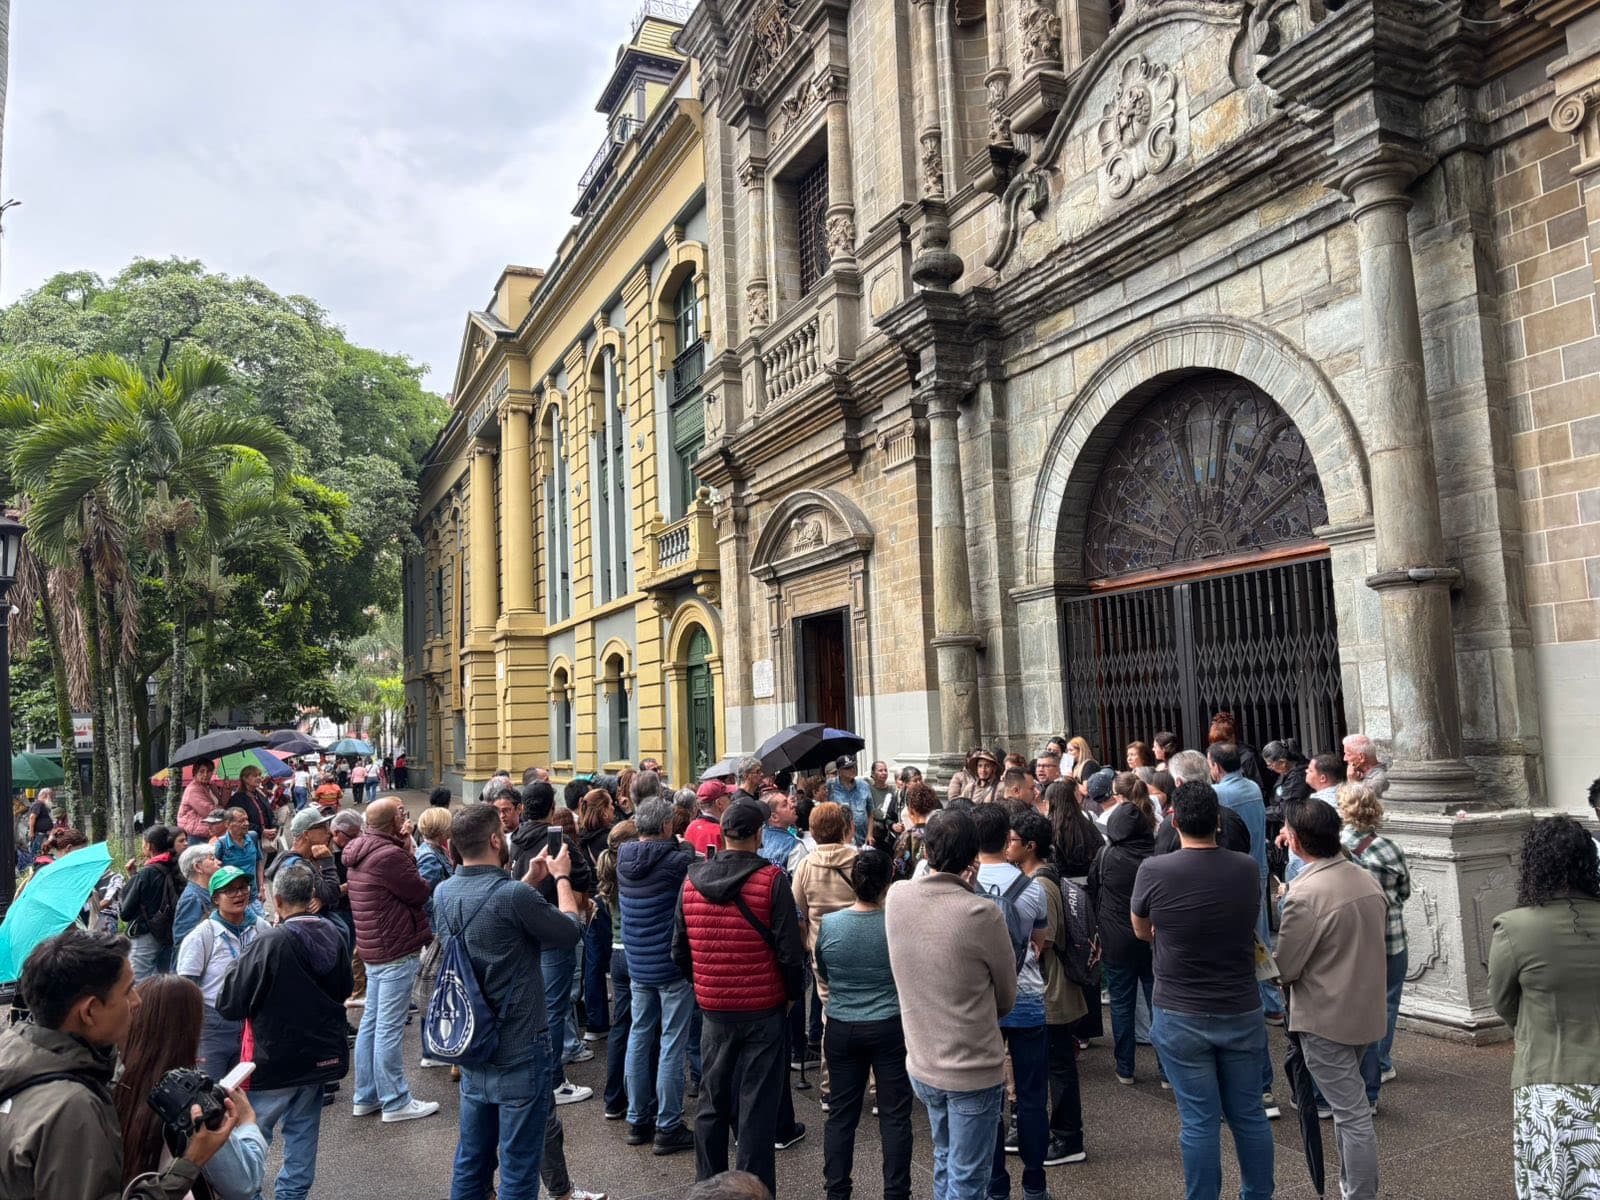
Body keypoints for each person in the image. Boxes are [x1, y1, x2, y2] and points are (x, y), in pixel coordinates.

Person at [0, 928, 243, 1200]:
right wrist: (190, 1163)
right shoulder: (72, 1107)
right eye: (128, 991)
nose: (137, 1002)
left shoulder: (13, 1052)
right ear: (90, 1011)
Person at [432, 802, 585, 1200]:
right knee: (518, 1164)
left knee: (472, 1158)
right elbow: (569, 931)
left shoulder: (444, 892)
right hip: (518, 1046)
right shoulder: (511, 895)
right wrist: (561, 878)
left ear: (452, 845)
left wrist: (529, 882)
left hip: (471, 1043)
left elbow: (493, 923)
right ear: (497, 840)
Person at [1131, 781, 1275, 1200]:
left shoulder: (1154, 870)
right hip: (1239, 1005)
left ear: (1173, 821)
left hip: (1180, 1010)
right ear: (1217, 821)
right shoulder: (1246, 868)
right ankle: (1258, 1194)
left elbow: (1141, 929)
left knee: (1198, 1121)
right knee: (1249, 1115)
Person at [672, 797, 808, 1196]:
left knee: (712, 1101)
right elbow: (789, 953)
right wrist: (790, 997)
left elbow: (679, 950)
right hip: (764, 1007)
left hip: (715, 1007)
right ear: (758, 835)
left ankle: (708, 1187)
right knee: (756, 1108)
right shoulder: (771, 880)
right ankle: (753, 1190)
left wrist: (704, 985)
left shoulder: (691, 881)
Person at [885, 809, 1016, 1200]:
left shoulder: (897, 896)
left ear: (927, 850)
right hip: (971, 1067)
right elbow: (1006, 996)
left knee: (945, 1158)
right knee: (968, 1179)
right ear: (972, 857)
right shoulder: (980, 911)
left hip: (922, 1058)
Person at [217, 863, 352, 1200]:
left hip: (274, 1056)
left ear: (277, 901)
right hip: (320, 1054)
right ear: (312, 899)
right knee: (303, 1133)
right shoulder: (334, 934)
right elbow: (345, 987)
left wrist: (238, 964)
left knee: (253, 1129)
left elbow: (230, 1002)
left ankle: (249, 1193)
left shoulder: (270, 941)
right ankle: (292, 1196)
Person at [1275, 796, 1387, 1200]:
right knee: (1350, 1109)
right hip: (1363, 1009)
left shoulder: (1305, 895)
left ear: (1298, 841)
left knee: (1352, 1115)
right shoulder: (1364, 878)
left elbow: (1286, 968)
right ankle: (1352, 1186)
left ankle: (1359, 1192)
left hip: (1326, 1016)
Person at [1488, 815, 1600, 1200]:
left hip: (1551, 1079)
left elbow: (1503, 1001)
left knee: (1554, 1183)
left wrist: (1533, 1028)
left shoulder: (1515, 928)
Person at [114, 974, 268, 1200]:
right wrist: (248, 1124)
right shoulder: (190, 1099)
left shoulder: (111, 1081)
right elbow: (242, 1184)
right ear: (191, 1029)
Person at [814, 848, 913, 1200]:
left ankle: (837, 1190)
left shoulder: (830, 924)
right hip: (889, 1024)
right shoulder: (895, 927)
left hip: (842, 1024)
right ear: (888, 881)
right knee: (895, 1115)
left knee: (841, 1115)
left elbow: (823, 970)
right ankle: (896, 1191)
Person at [967, 803, 1053, 1200]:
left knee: (988, 1095)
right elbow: (1040, 943)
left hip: (983, 999)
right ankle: (1035, 1181)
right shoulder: (1032, 888)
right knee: (1033, 1096)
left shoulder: (965, 885)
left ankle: (996, 1181)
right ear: (1007, 840)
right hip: (1027, 995)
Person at [344, 797, 437, 1123]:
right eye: (400, 813)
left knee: (372, 1024)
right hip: (395, 950)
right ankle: (396, 1100)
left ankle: (366, 1095)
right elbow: (420, 891)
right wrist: (408, 847)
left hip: (376, 948)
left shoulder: (362, 849)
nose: (405, 816)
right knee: (388, 1028)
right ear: (389, 823)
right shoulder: (390, 855)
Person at [1006, 809, 1088, 1168]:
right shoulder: (1037, 878)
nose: (1007, 846)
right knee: (1054, 1064)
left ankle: (1068, 1136)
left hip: (1051, 990)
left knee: (1059, 1066)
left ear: (1030, 845)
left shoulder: (1040, 884)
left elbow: (1045, 942)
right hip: (1048, 989)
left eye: (1012, 841)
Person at [617, 796, 696, 1154]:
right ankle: (668, 1124)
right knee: (671, 1043)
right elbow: (693, 860)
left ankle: (637, 1118)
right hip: (669, 963)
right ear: (666, 827)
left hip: (637, 961)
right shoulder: (677, 861)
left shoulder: (622, 857)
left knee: (639, 1036)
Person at [511, 780, 597, 1093]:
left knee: (539, 1008)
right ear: (551, 808)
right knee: (555, 1008)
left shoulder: (516, 840)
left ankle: (541, 1073)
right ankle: (554, 1081)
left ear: (522, 808)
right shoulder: (559, 844)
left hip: (526, 933)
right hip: (556, 930)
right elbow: (584, 876)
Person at [1337, 782, 1410, 1096]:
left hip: (1356, 937)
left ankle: (1360, 1061)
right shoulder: (1390, 847)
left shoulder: (1336, 846)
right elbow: (1405, 890)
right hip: (1391, 933)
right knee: (1389, 999)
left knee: (1358, 1001)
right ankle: (1380, 1060)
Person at [791, 801, 860, 1107]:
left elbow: (799, 910)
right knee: (870, 1009)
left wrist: (807, 942)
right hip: (861, 941)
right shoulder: (859, 861)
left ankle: (831, 1085)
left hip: (824, 948)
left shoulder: (806, 864)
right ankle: (872, 1086)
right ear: (845, 828)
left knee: (830, 1016)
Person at [1208, 743, 1282, 1025]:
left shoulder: (1218, 793)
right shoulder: (1251, 787)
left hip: (1232, 872)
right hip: (1257, 868)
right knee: (1260, 934)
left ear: (1215, 766)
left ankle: (1253, 1000)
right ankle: (1271, 1001)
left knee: (1240, 936)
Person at [1088, 797, 1157, 1085]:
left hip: (1115, 939)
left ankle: (1125, 1067)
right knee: (1158, 1003)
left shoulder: (1106, 855)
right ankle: (1166, 1070)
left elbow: (1093, 890)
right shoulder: (1156, 856)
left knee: (1121, 1003)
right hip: (1154, 938)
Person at [175, 865, 260, 1076]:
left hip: (253, 1023)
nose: (239, 894)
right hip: (213, 1025)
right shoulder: (202, 935)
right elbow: (186, 987)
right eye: (230, 890)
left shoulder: (260, 928)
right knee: (212, 1094)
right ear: (215, 899)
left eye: (243, 888)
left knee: (247, 1096)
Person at [578, 788, 617, 1044]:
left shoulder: (580, 838)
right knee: (613, 959)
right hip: (606, 902)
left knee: (592, 963)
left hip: (588, 905)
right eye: (611, 806)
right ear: (603, 810)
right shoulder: (608, 839)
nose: (613, 809)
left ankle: (596, 1019)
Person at [122, 826, 184, 981]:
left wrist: (133, 880)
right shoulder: (175, 866)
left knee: (138, 982)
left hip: (146, 934)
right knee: (164, 979)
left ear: (148, 846)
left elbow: (126, 912)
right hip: (169, 933)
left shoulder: (148, 872)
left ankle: (145, 1006)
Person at [212, 807, 265, 903]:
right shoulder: (221, 844)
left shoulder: (253, 836)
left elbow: (259, 861)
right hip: (233, 899)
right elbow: (215, 870)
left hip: (253, 896)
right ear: (228, 824)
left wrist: (261, 887)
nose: (246, 823)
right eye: (241, 821)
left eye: (247, 819)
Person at [173, 842, 221, 944]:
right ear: (198, 867)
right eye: (212, 859)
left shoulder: (210, 891)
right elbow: (184, 939)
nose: (219, 862)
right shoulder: (191, 898)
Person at [826, 757, 874, 847]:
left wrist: (869, 834)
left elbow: (870, 813)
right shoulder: (830, 786)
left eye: (853, 766)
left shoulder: (864, 785)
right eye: (847, 768)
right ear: (839, 771)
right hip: (839, 841)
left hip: (862, 840)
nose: (852, 770)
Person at [759, 787, 808, 873]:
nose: (793, 805)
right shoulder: (794, 848)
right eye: (785, 805)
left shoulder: (757, 841)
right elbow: (802, 884)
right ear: (774, 817)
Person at [228, 765, 278, 846]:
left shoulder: (260, 794)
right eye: (255, 776)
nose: (259, 778)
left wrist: (274, 827)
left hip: (268, 839)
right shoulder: (238, 798)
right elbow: (238, 822)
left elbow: (270, 813)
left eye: (259, 775)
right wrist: (261, 831)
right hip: (250, 841)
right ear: (245, 778)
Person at [688, 778, 734, 856]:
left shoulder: (691, 827)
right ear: (719, 803)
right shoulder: (720, 832)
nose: (731, 800)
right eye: (729, 796)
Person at [177, 760, 222, 839]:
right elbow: (208, 811)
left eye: (209, 771)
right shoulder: (194, 789)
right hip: (196, 832)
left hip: (205, 829)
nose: (205, 775)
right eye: (202, 771)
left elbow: (222, 803)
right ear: (195, 772)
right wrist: (225, 812)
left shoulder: (207, 786)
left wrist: (226, 790)